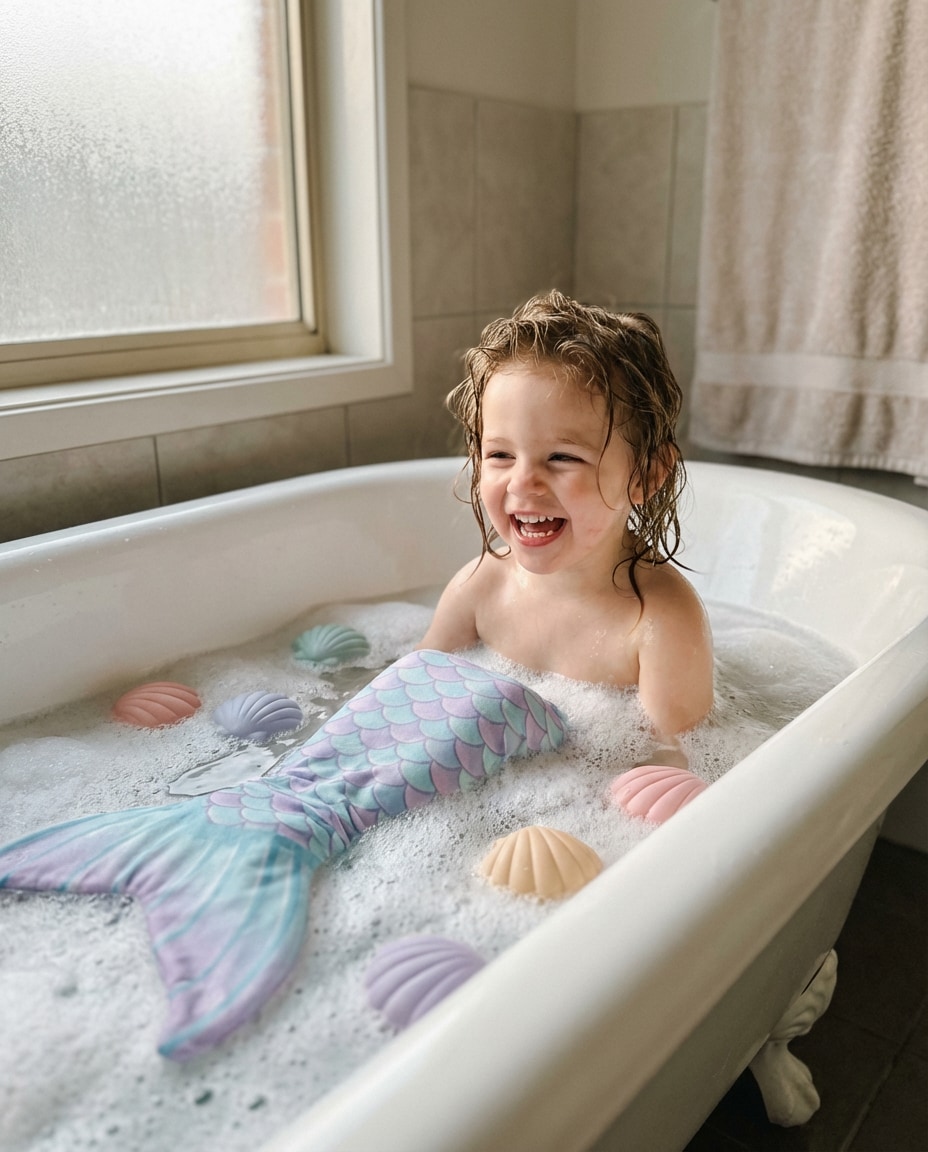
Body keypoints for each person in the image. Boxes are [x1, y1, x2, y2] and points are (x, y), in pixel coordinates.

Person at [417, 290, 714, 763]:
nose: (522, 482)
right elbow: (411, 697)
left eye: (561, 457)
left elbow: (674, 757)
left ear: (645, 475)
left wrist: (662, 774)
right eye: (500, 454)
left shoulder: (658, 622)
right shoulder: (479, 588)